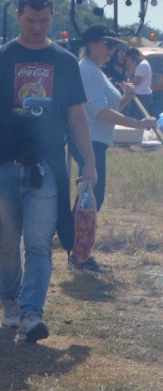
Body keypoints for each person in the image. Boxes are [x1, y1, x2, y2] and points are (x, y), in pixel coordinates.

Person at [0, 0, 98, 343]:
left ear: (52, 18)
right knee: (6, 241)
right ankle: (10, 303)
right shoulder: (0, 59)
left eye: (44, 20)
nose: (37, 27)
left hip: (47, 167)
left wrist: (90, 162)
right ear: (19, 16)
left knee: (37, 243)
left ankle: (32, 314)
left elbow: (76, 116)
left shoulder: (64, 62)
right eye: (31, 20)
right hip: (2, 164)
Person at [73, 25, 157, 267]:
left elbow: (114, 107)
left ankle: (79, 251)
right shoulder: (87, 71)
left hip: (97, 140)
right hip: (88, 141)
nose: (112, 50)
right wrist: (138, 125)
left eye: (114, 46)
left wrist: (128, 98)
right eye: (107, 44)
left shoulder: (97, 71)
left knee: (90, 198)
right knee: (91, 197)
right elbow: (100, 112)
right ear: (91, 44)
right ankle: (78, 253)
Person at [126, 46, 158, 117]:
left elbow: (135, 83)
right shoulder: (139, 65)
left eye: (129, 60)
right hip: (137, 94)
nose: (128, 62)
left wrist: (131, 72)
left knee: (138, 117)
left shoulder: (142, 65)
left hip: (142, 95)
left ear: (135, 57)